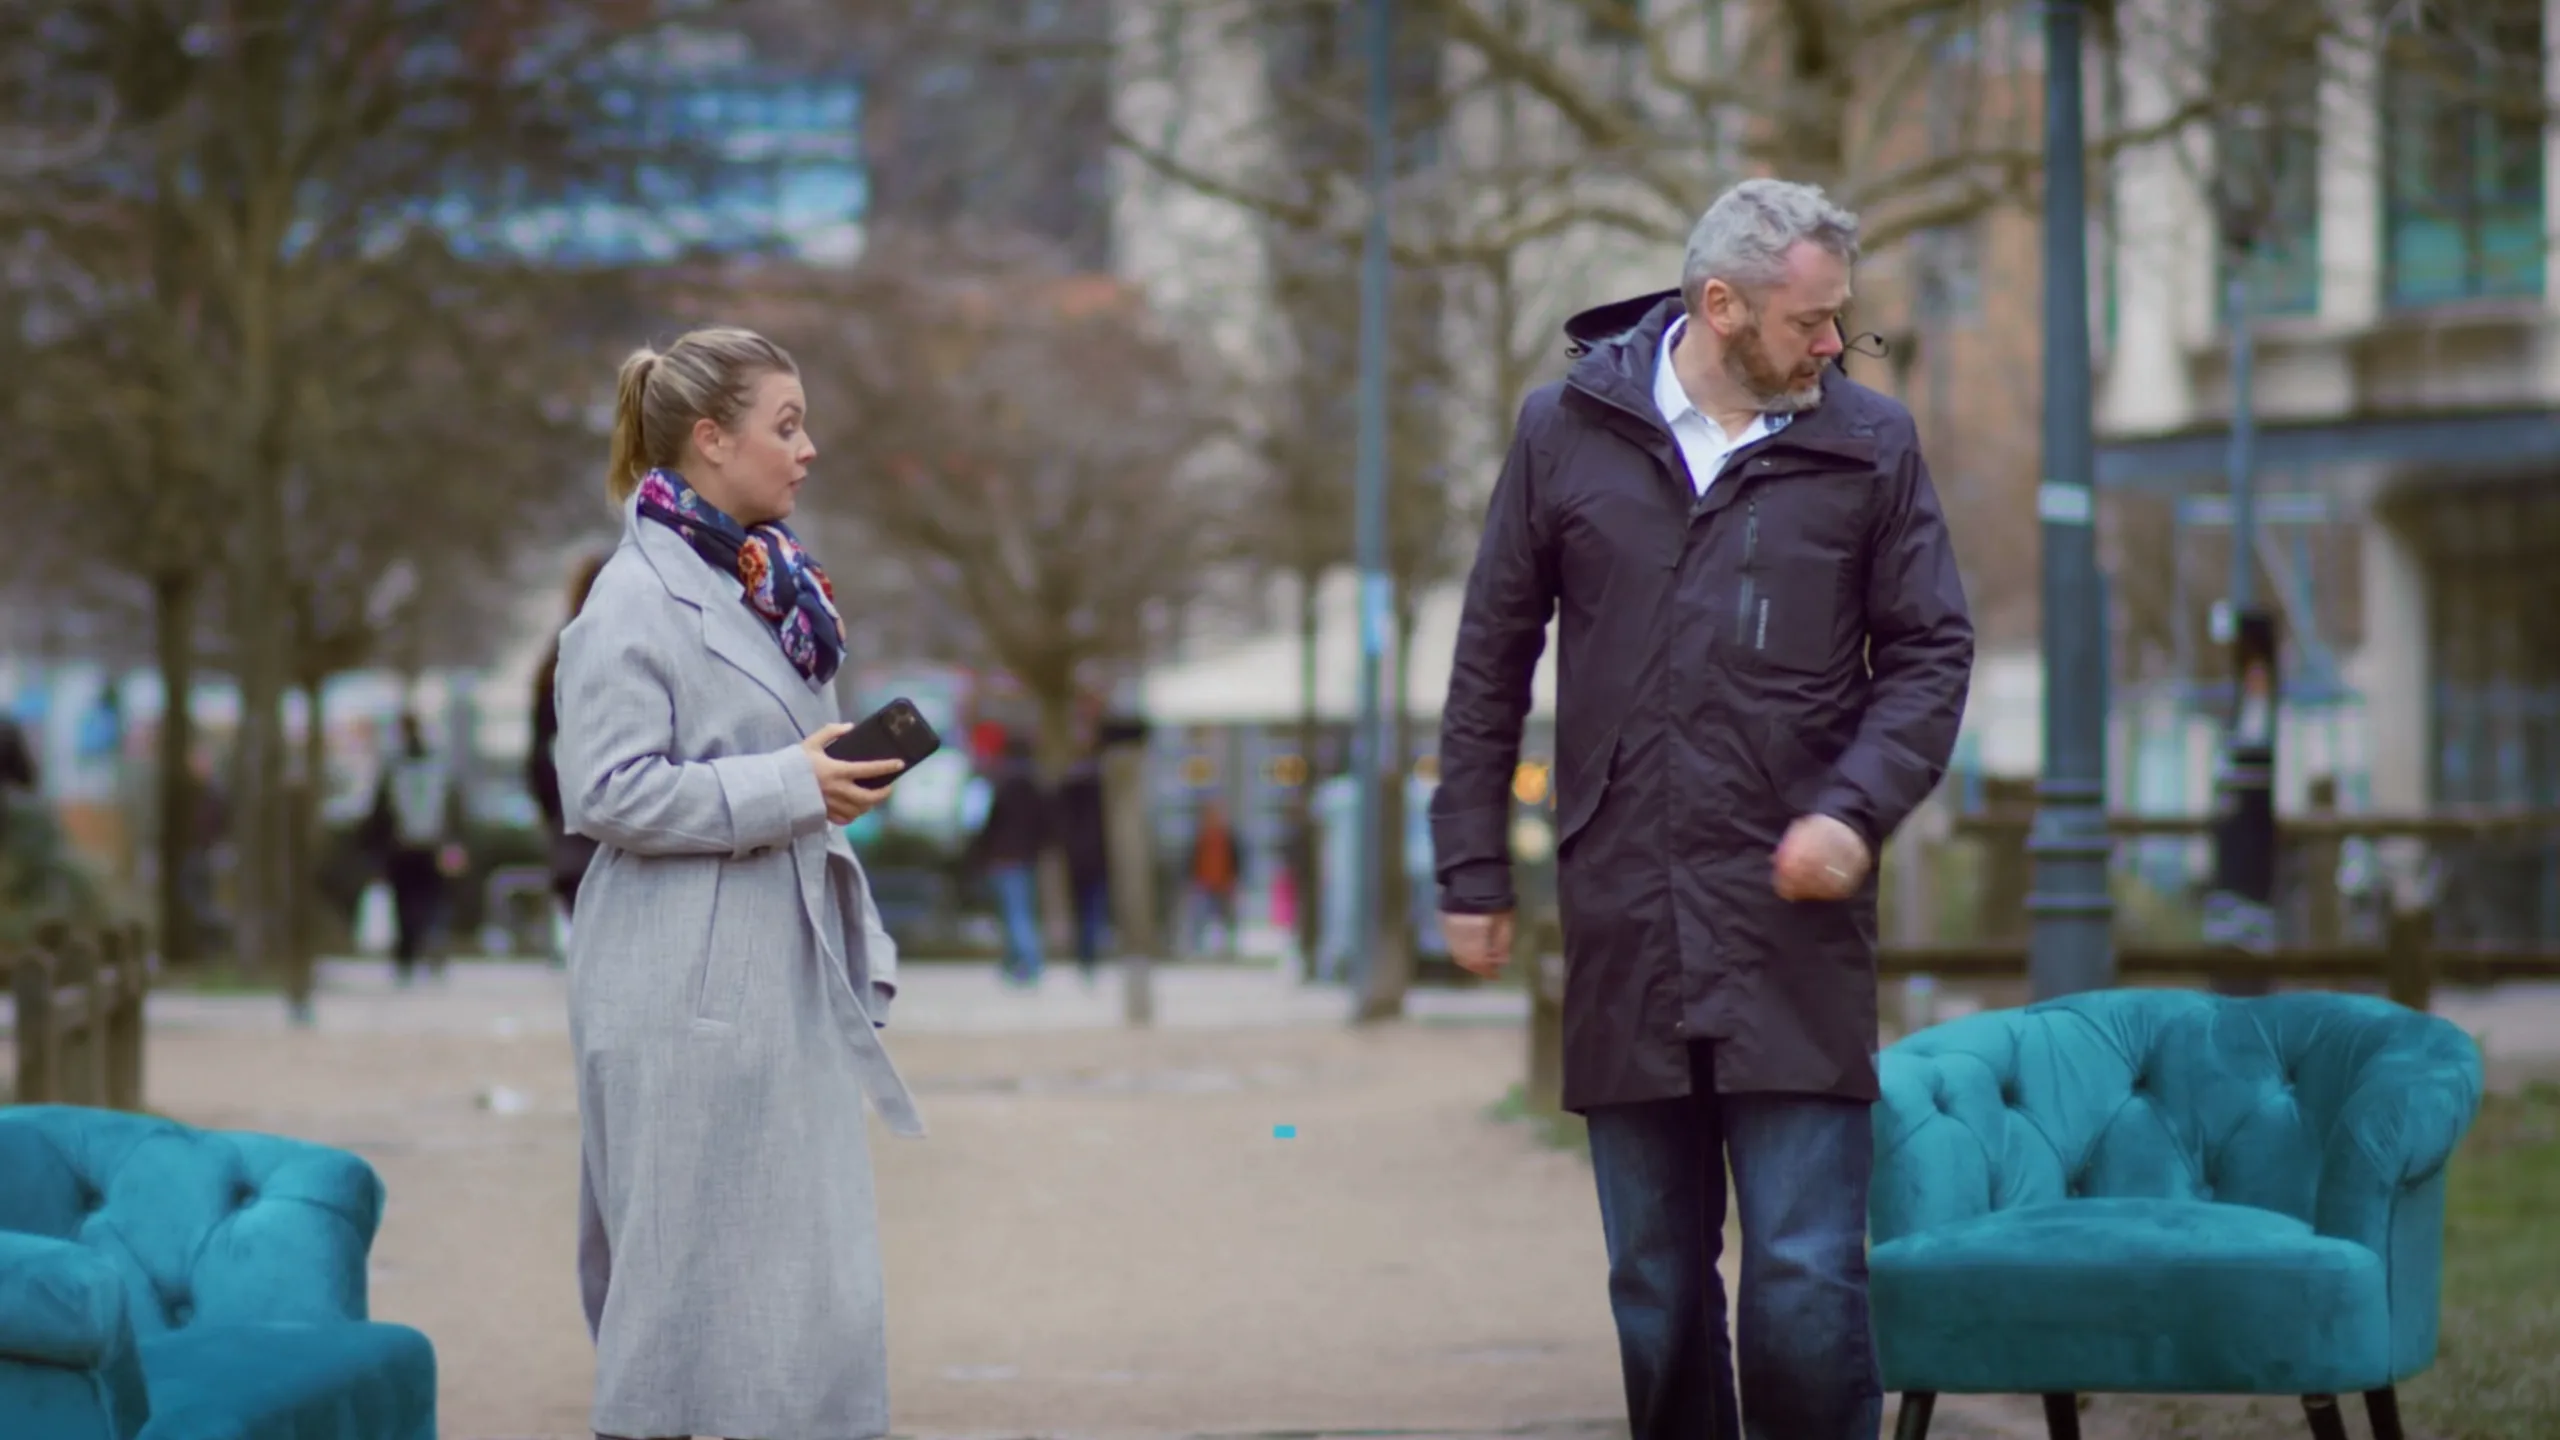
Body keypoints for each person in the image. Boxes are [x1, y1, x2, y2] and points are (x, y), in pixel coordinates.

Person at [1430, 179, 1974, 1440]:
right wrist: (1470, 870)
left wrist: (1855, 809)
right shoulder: (1560, 431)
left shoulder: (1869, 443)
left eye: (1842, 320)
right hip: (1624, 914)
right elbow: (1488, 662)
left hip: (1795, 925)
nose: (1833, 345)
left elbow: (1932, 656)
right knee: (1656, 1290)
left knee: (1803, 1278)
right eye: (1809, 322)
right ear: (1719, 306)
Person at [556, 326, 925, 1440]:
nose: (808, 450)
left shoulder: (768, 589)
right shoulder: (630, 600)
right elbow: (605, 791)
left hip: (771, 973)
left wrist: (823, 785)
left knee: (798, 1292)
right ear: (711, 441)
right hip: (684, 989)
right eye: (785, 424)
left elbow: (777, 771)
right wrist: (790, 785)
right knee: (688, 1292)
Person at [529, 551, 611, 936]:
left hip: (571, 820)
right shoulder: (623, 652)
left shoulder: (556, 659)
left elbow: (536, 752)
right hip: (612, 817)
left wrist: (553, 811)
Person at [363, 713, 468, 986]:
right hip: (425, 845)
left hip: (407, 846)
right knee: (429, 902)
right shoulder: (436, 766)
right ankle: (424, 949)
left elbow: (379, 813)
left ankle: (411, 954)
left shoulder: (396, 767)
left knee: (410, 904)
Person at [965, 734, 1051, 986]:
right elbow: (1045, 824)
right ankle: (1016, 963)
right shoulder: (1035, 783)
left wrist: (981, 851)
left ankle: (1030, 964)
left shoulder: (1002, 783)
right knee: (1020, 910)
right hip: (1025, 856)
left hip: (1003, 856)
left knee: (1015, 913)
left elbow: (991, 822)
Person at [1052, 744, 1111, 984]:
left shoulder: (1069, 791)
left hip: (1078, 859)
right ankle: (1089, 956)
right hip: (1095, 860)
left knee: (1083, 911)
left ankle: (1085, 955)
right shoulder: (1100, 792)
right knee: (1092, 911)